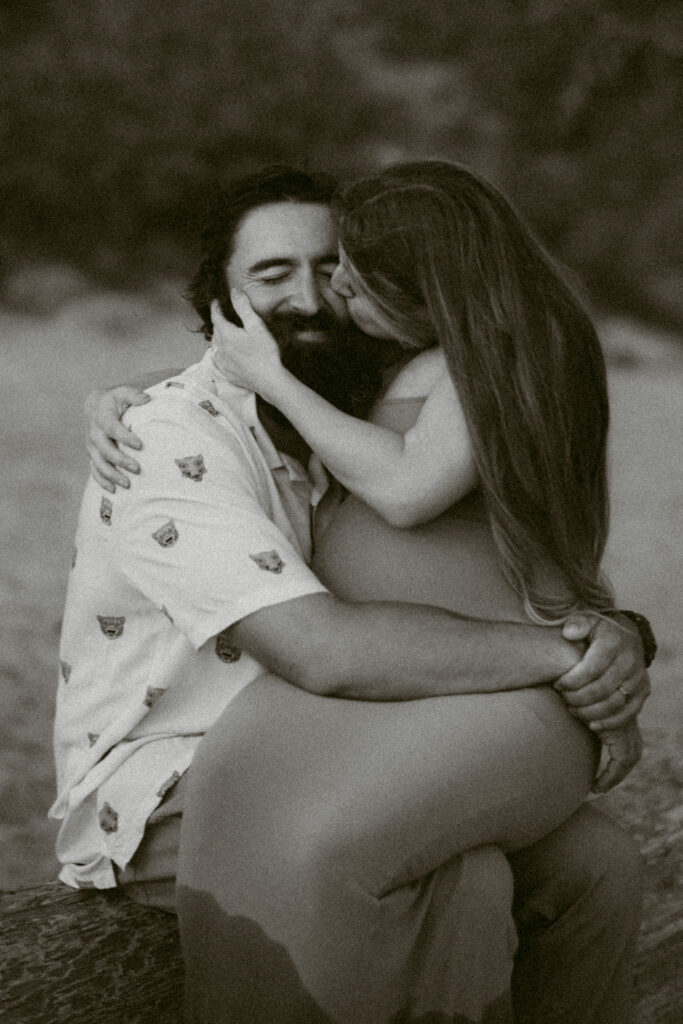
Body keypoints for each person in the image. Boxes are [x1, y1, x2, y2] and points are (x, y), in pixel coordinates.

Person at [66, 165, 651, 1024]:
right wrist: (573, 653)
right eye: (271, 276)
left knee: (596, 865)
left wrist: (616, 631)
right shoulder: (166, 439)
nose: (312, 298)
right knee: (460, 880)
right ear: (218, 308)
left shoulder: (339, 397)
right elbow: (323, 649)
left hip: (366, 729)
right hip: (175, 769)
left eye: (330, 269)